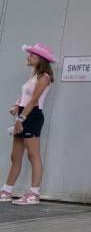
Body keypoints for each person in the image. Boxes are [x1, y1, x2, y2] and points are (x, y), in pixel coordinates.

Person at [1, 44, 56, 205]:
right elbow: (24, 96)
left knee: (33, 155)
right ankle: (6, 191)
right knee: (15, 156)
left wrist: (21, 119)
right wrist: (16, 105)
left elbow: (34, 100)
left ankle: (34, 194)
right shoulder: (33, 75)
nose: (28, 57)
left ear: (39, 59)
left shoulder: (44, 77)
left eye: (31, 55)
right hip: (23, 114)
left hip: (32, 116)